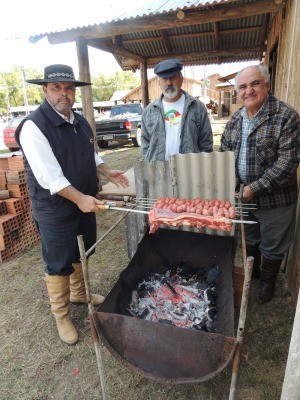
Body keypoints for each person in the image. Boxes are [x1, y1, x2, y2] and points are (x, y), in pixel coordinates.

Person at [15, 64, 129, 345]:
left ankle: (80, 293)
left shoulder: (79, 121)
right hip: (56, 210)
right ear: (44, 90)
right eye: (57, 88)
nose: (64, 94)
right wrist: (80, 199)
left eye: (69, 88)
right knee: (58, 262)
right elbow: (50, 177)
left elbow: (88, 154)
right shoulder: (33, 127)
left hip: (85, 203)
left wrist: (106, 171)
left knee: (83, 252)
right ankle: (62, 315)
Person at [220, 63, 300, 304]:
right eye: (242, 86)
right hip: (243, 195)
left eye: (254, 84)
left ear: (266, 84)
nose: (249, 91)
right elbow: (225, 149)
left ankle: (267, 283)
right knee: (250, 238)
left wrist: (254, 187)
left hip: (276, 200)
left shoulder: (286, 116)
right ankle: (253, 274)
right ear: (237, 91)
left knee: (273, 245)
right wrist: (231, 180)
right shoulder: (236, 118)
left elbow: (288, 162)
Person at [141, 59, 213, 161]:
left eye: (173, 77)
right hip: (158, 172)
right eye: (164, 79)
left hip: (190, 171)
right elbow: (145, 143)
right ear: (159, 83)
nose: (169, 83)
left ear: (181, 79)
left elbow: (206, 142)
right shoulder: (149, 111)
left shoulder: (197, 107)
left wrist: (201, 168)